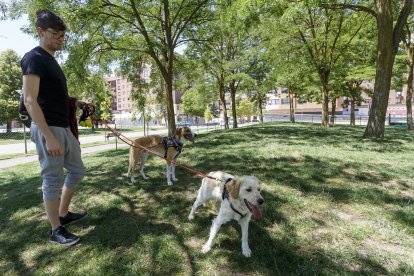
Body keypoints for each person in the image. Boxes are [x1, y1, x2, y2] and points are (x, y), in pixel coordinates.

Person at [21, 9, 87, 246]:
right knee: (52, 179)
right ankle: (55, 230)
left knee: (77, 170)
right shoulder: (34, 58)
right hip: (48, 129)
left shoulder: (51, 60)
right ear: (40, 32)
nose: (60, 38)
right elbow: (30, 99)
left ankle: (63, 213)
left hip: (63, 127)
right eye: (55, 34)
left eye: (62, 35)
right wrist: (48, 137)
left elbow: (54, 96)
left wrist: (78, 103)